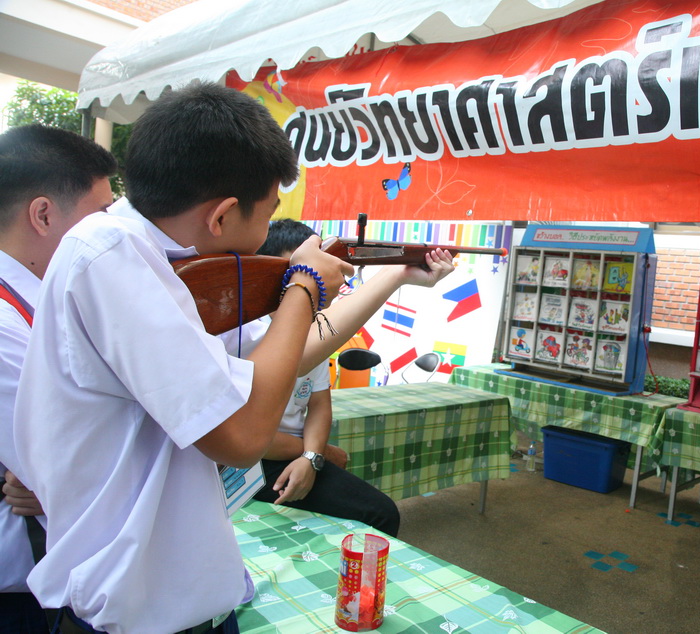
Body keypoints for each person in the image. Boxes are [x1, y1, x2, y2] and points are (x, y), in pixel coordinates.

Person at [12, 83, 454, 634]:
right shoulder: (111, 255)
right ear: (221, 216)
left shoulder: (153, 257)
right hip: (133, 615)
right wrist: (302, 286)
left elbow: (277, 365)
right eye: (269, 211)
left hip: (179, 598)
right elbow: (241, 436)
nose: (270, 228)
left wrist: (390, 276)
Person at [0, 124, 116, 633]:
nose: (114, 236)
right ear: (44, 214)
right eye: (100, 218)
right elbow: (74, 469)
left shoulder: (34, 303)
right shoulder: (8, 324)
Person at [251, 219, 400, 536]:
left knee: (381, 513)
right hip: (253, 458)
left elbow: (319, 406)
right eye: (303, 272)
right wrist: (317, 454)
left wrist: (311, 458)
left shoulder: (313, 330)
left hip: (300, 452)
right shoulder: (249, 334)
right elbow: (246, 435)